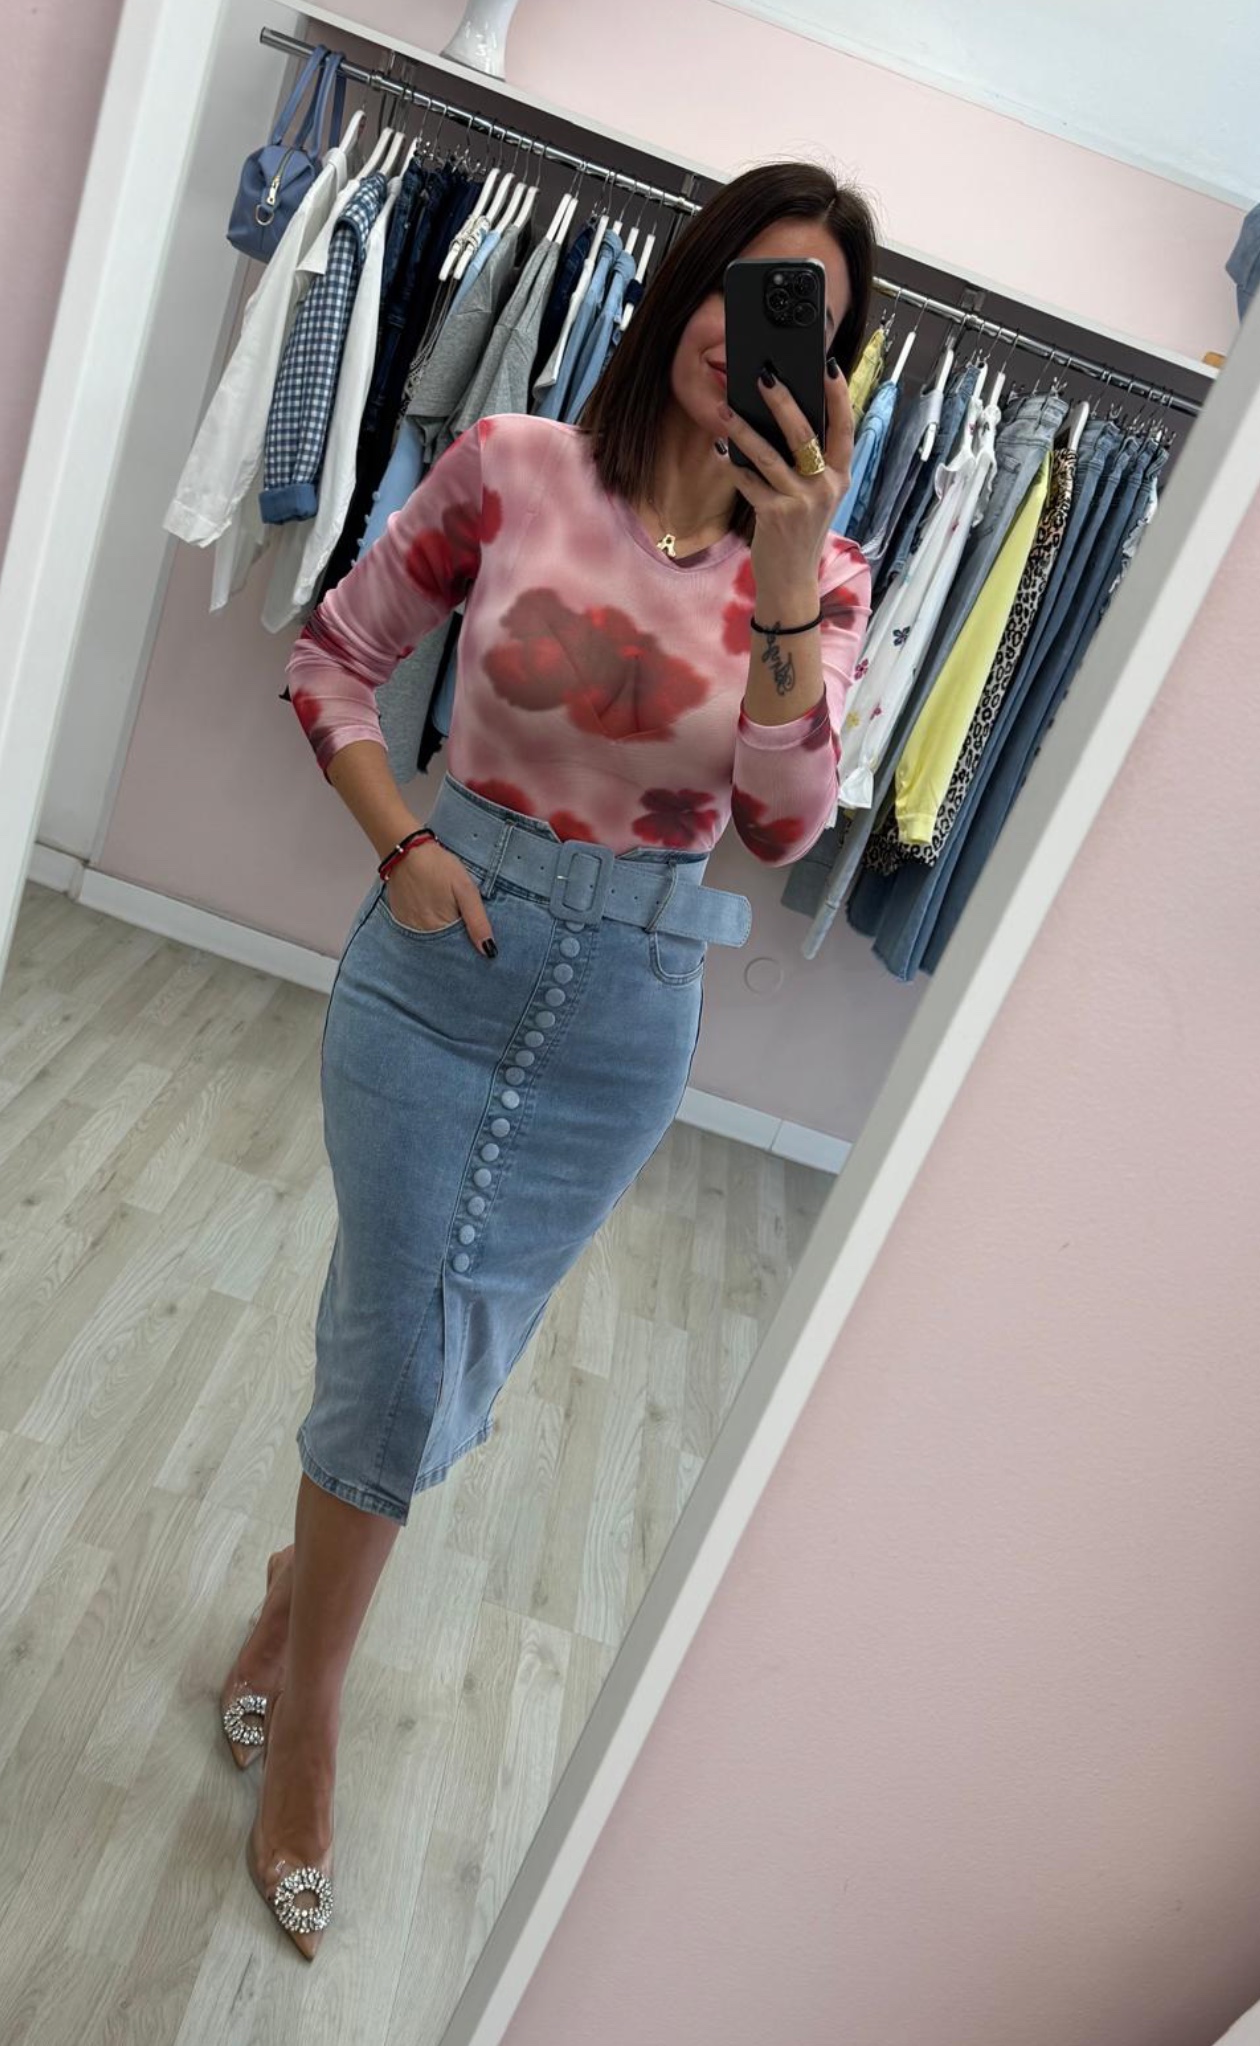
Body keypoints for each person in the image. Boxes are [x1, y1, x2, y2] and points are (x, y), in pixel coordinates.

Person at [225, 159, 876, 1958]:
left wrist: (781, 578)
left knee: (454, 1367)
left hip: (626, 1020)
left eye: (806, 319)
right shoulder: (516, 465)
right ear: (685, 286)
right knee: (391, 1354)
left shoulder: (826, 578)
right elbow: (335, 657)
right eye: (745, 283)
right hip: (442, 961)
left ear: (830, 369)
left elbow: (781, 825)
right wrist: (401, 845)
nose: (755, 333)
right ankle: (312, 1725)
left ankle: (297, 1586)